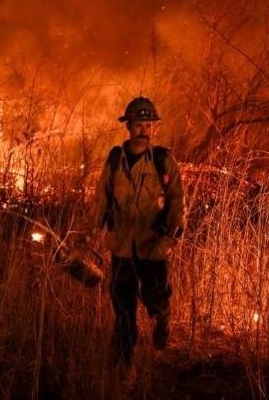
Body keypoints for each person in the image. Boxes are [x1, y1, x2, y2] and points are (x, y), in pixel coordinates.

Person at [90, 96, 185, 377]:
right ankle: (123, 367)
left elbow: (176, 201)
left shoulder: (163, 160)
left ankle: (161, 320)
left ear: (154, 128)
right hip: (121, 248)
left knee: (155, 299)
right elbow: (101, 200)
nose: (144, 130)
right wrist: (88, 232)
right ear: (128, 127)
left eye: (148, 125)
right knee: (123, 312)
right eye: (138, 125)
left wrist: (167, 238)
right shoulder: (115, 159)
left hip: (151, 247)